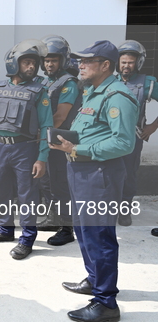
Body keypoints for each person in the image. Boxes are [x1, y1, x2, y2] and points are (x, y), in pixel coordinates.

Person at [50, 40, 138, 322]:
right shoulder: (92, 92)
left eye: (87, 61)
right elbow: (90, 130)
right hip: (81, 171)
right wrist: (68, 141)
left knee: (99, 236)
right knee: (84, 231)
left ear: (105, 66)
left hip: (100, 174)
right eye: (79, 60)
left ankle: (106, 302)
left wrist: (78, 150)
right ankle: (94, 279)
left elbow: (124, 143)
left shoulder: (117, 96)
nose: (80, 65)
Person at [0, 39, 53, 260]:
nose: (31, 67)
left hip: (25, 149)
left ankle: (27, 239)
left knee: (27, 195)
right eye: (27, 62)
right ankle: (5, 229)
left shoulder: (40, 92)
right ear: (14, 64)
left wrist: (42, 158)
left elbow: (47, 126)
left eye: (34, 64)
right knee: (0, 191)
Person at [37, 35, 81, 246]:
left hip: (60, 141)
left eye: (53, 60)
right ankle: (54, 218)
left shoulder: (69, 83)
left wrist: (38, 133)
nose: (49, 64)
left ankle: (67, 227)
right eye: (46, 60)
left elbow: (60, 116)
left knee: (62, 184)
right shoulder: (46, 81)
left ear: (63, 60)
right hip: (48, 142)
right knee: (48, 182)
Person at [115, 40, 158, 227]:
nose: (126, 66)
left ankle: (124, 209)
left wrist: (152, 126)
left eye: (130, 62)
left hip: (132, 138)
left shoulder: (147, 83)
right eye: (123, 62)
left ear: (138, 62)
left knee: (128, 174)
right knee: (107, 173)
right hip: (108, 137)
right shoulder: (110, 80)